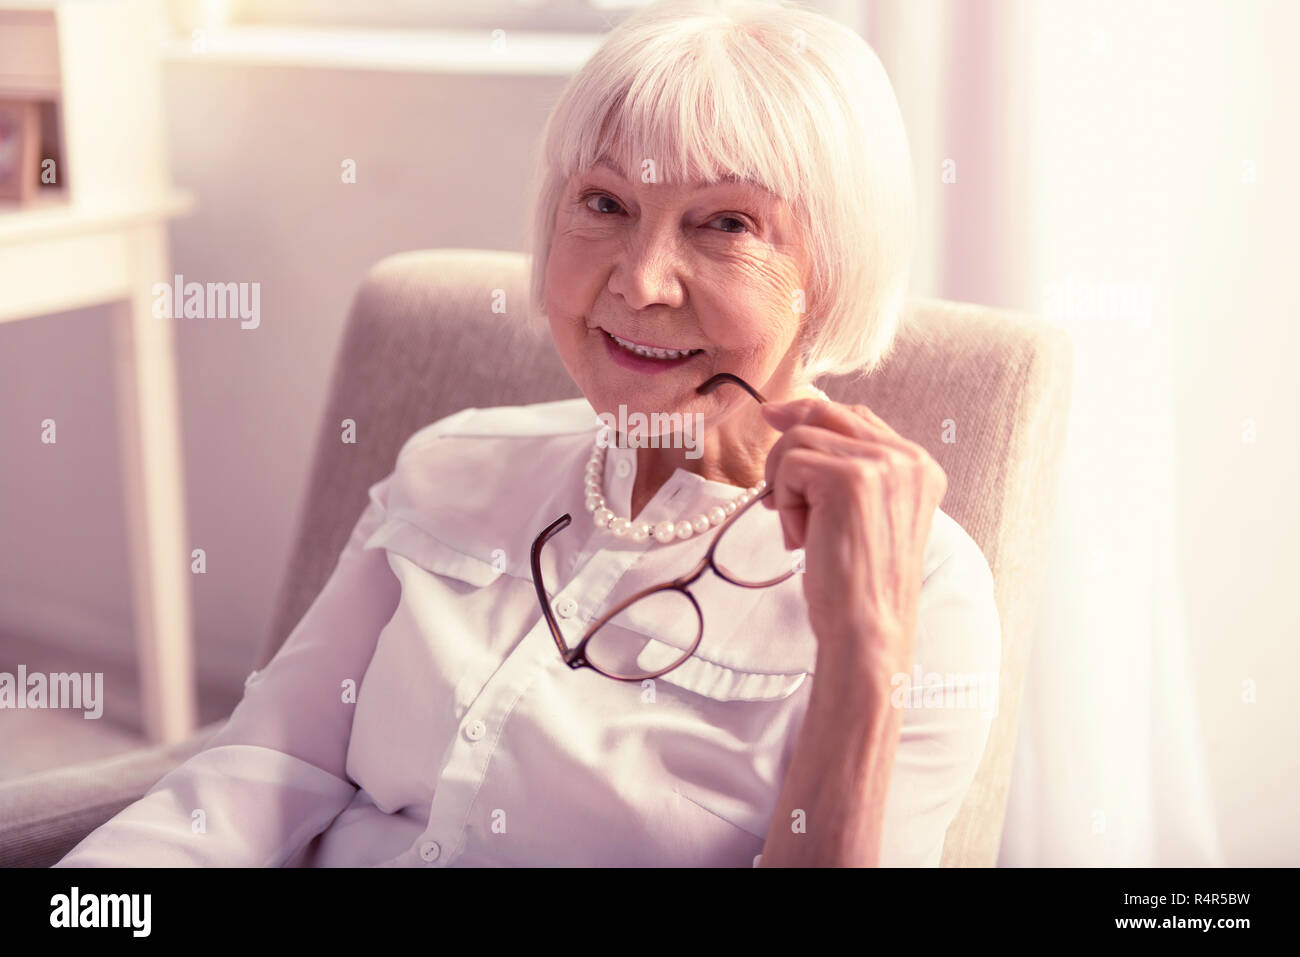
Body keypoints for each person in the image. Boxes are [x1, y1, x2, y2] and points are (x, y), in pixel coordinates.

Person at [55, 0, 999, 868]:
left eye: (725, 223)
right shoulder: (450, 463)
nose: (642, 281)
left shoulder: (923, 590)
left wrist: (865, 652)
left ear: (830, 273)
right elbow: (256, 776)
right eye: (605, 204)